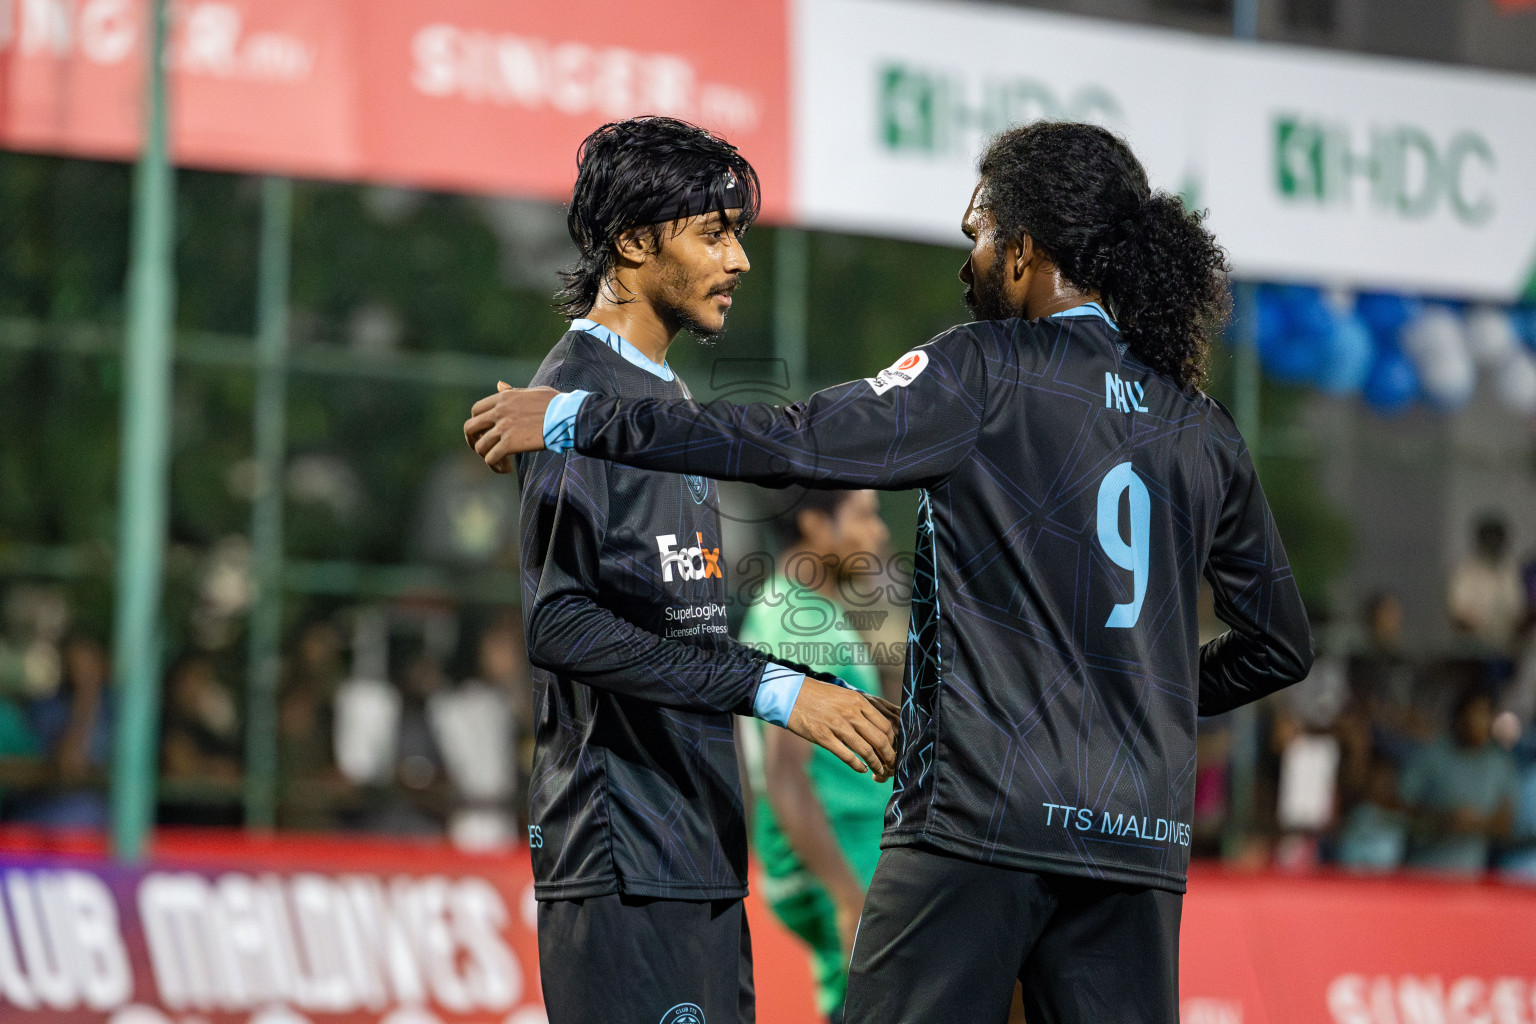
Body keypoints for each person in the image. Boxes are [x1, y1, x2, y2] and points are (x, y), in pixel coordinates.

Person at [467, 120, 1313, 1024]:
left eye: (979, 235)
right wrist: (1141, 693)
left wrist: (574, 420)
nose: (970, 254)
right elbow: (1280, 646)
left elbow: (794, 439)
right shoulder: (1202, 424)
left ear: (1023, 251)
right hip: (1138, 843)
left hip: (979, 820)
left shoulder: (984, 369)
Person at [466, 116, 898, 1024]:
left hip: (693, 840)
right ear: (632, 242)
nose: (738, 260)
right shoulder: (571, 394)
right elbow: (561, 623)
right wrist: (782, 691)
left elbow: (676, 630)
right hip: (619, 843)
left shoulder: (661, 397)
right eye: (714, 232)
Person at [739, 489, 893, 1024]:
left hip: (852, 856)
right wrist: (848, 897)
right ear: (814, 525)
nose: (879, 533)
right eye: (864, 516)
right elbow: (785, 775)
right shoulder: (794, 620)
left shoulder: (806, 609)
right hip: (837, 862)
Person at [1398, 686, 1516, 875]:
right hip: (1422, 871)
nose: (1478, 721)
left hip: (1470, 875)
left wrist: (1476, 824)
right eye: (1474, 713)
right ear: (1459, 717)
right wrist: (1443, 818)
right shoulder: (1431, 755)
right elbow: (1399, 806)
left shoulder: (1499, 764)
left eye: (1485, 714)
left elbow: (1505, 825)